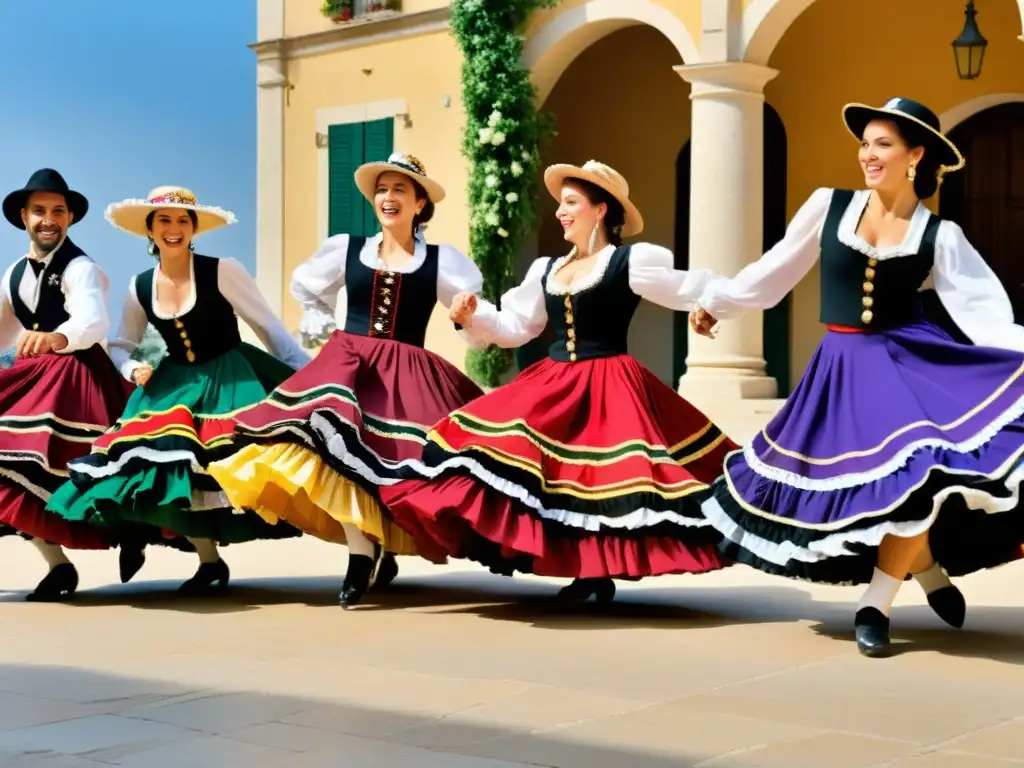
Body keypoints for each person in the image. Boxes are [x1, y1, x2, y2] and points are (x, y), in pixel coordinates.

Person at [690, 97, 1024, 657]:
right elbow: (773, 273)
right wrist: (717, 302)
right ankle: (928, 569)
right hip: (840, 370)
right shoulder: (828, 207)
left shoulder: (940, 236)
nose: (868, 154)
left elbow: (988, 318)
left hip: (908, 368)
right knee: (881, 489)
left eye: (883, 144)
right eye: (865, 143)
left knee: (916, 477)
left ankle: (876, 602)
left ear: (916, 155)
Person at [378, 160, 737, 602]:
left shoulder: (630, 261)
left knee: (598, 481)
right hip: (554, 381)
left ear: (600, 209)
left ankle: (593, 574)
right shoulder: (548, 268)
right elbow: (515, 327)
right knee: (527, 466)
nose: (561, 212)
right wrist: (473, 317)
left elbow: (690, 287)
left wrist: (708, 306)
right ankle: (586, 573)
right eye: (561, 204)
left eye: (571, 203)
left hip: (610, 382)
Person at [207, 153, 485, 608]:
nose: (388, 197)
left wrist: (463, 320)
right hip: (350, 362)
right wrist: (317, 316)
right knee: (330, 448)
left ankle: (382, 545)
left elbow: (473, 319)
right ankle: (360, 554)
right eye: (382, 189)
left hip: (407, 370)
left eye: (400, 189)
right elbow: (306, 287)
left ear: (420, 204)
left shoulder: (442, 261)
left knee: (400, 461)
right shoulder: (346, 248)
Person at [46, 186, 310, 595]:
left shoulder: (223, 270)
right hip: (173, 383)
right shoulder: (140, 285)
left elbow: (269, 328)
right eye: (164, 220)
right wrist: (132, 367)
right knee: (161, 466)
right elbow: (121, 342)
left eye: (183, 220)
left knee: (246, 464)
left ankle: (362, 548)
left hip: (230, 377)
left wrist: (312, 379)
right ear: (149, 230)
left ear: (194, 228)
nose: (174, 228)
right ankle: (204, 560)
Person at [0, 168, 134, 601]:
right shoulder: (13, 273)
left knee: (120, 474)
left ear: (70, 218)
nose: (48, 219)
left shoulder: (81, 268)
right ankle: (58, 567)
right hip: (38, 380)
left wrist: (57, 337)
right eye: (39, 210)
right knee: (19, 472)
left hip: (79, 381)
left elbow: (94, 321)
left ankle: (206, 558)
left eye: (58, 211)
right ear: (24, 216)